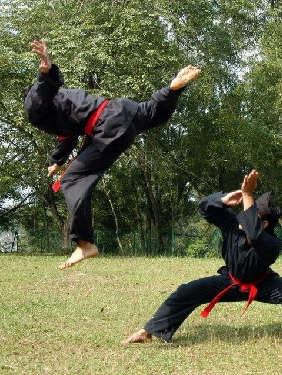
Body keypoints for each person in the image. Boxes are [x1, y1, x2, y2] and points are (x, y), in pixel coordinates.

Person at [23, 40, 201, 269]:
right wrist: (57, 160)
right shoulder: (63, 100)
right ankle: (171, 89)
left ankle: (85, 243)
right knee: (150, 110)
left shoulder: (35, 106)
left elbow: (37, 98)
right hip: (121, 110)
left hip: (107, 127)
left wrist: (45, 70)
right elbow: (68, 135)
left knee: (72, 180)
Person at [123, 170, 282, 348]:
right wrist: (223, 200)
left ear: (265, 224)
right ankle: (148, 331)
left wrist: (248, 194)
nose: (242, 216)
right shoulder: (232, 225)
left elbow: (254, 233)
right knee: (186, 291)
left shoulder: (272, 243)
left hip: (264, 284)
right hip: (230, 281)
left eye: (249, 213)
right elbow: (204, 208)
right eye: (244, 211)